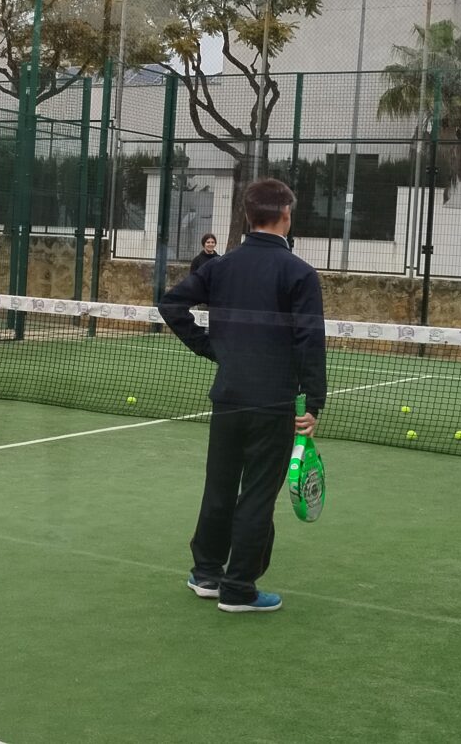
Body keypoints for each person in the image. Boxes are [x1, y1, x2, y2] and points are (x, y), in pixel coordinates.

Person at [157, 178, 326, 614]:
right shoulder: (300, 273)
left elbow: (171, 304)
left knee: (219, 486)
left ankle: (206, 574)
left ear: (247, 216)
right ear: (286, 216)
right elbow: (310, 339)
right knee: (257, 495)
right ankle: (238, 588)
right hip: (273, 403)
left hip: (229, 398)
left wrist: (214, 348)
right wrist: (314, 401)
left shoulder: (221, 267)